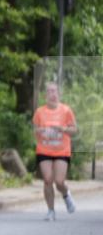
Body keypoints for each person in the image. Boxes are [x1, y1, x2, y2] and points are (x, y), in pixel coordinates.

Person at [32, 81, 78, 221]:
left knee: (59, 181)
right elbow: (34, 130)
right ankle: (51, 211)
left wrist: (63, 129)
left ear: (59, 94)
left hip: (61, 150)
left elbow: (74, 130)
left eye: (54, 91)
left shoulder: (66, 110)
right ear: (46, 95)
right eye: (49, 91)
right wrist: (40, 131)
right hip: (44, 149)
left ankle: (66, 194)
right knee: (47, 180)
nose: (52, 94)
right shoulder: (40, 111)